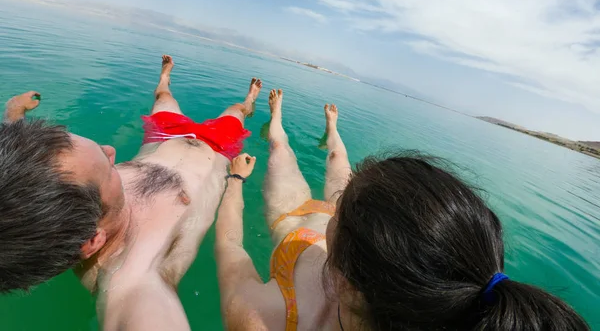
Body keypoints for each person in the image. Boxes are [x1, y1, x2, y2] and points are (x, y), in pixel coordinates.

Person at [215, 90, 590, 330]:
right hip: (371, 231)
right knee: (338, 159)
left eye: (340, 209)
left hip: (294, 219)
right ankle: (333, 129)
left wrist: (236, 179)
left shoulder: (264, 320)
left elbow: (231, 247)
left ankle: (277, 118)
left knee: (281, 150)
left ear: (344, 284)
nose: (337, 205)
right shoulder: (429, 301)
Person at [0, 55, 262, 331]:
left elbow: (20, 174)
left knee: (163, 95)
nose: (111, 151)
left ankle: (164, 78)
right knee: (236, 110)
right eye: (110, 168)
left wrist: (14, 117)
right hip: (218, 149)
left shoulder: (54, 190)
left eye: (100, 150)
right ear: (93, 239)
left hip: (163, 135)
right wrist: (236, 179)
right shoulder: (131, 280)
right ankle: (249, 102)